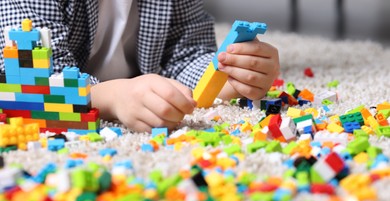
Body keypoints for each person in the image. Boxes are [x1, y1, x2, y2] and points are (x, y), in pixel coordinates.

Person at [0, 0, 279, 132]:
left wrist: (226, 77)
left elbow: (185, 52)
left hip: (138, 80)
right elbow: (34, 86)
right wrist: (111, 98)